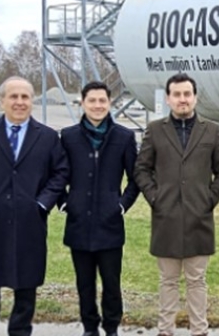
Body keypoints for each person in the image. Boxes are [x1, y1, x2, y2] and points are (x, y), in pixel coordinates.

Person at [0, 76, 70, 336]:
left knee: (26, 290)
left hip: (30, 223)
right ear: (2, 101)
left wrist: (42, 204)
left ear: (32, 101)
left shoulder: (48, 137)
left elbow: (60, 173)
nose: (19, 102)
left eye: (25, 97)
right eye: (13, 97)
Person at [133, 72, 219, 336]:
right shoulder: (155, 131)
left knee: (197, 280)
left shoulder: (211, 131)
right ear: (168, 99)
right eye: (177, 95)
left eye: (187, 94)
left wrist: (209, 200)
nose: (182, 99)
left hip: (199, 219)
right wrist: (156, 198)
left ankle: (199, 330)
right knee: (167, 281)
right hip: (165, 218)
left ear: (195, 97)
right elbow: (141, 170)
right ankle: (165, 330)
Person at [59, 81, 141, 336]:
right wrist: (64, 202)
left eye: (102, 101)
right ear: (82, 103)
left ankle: (112, 327)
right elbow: (56, 174)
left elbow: (136, 178)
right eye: (92, 101)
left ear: (109, 103)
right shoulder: (68, 136)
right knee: (84, 284)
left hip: (109, 224)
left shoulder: (123, 137)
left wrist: (121, 206)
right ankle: (89, 327)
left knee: (111, 284)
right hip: (78, 223)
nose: (97, 106)